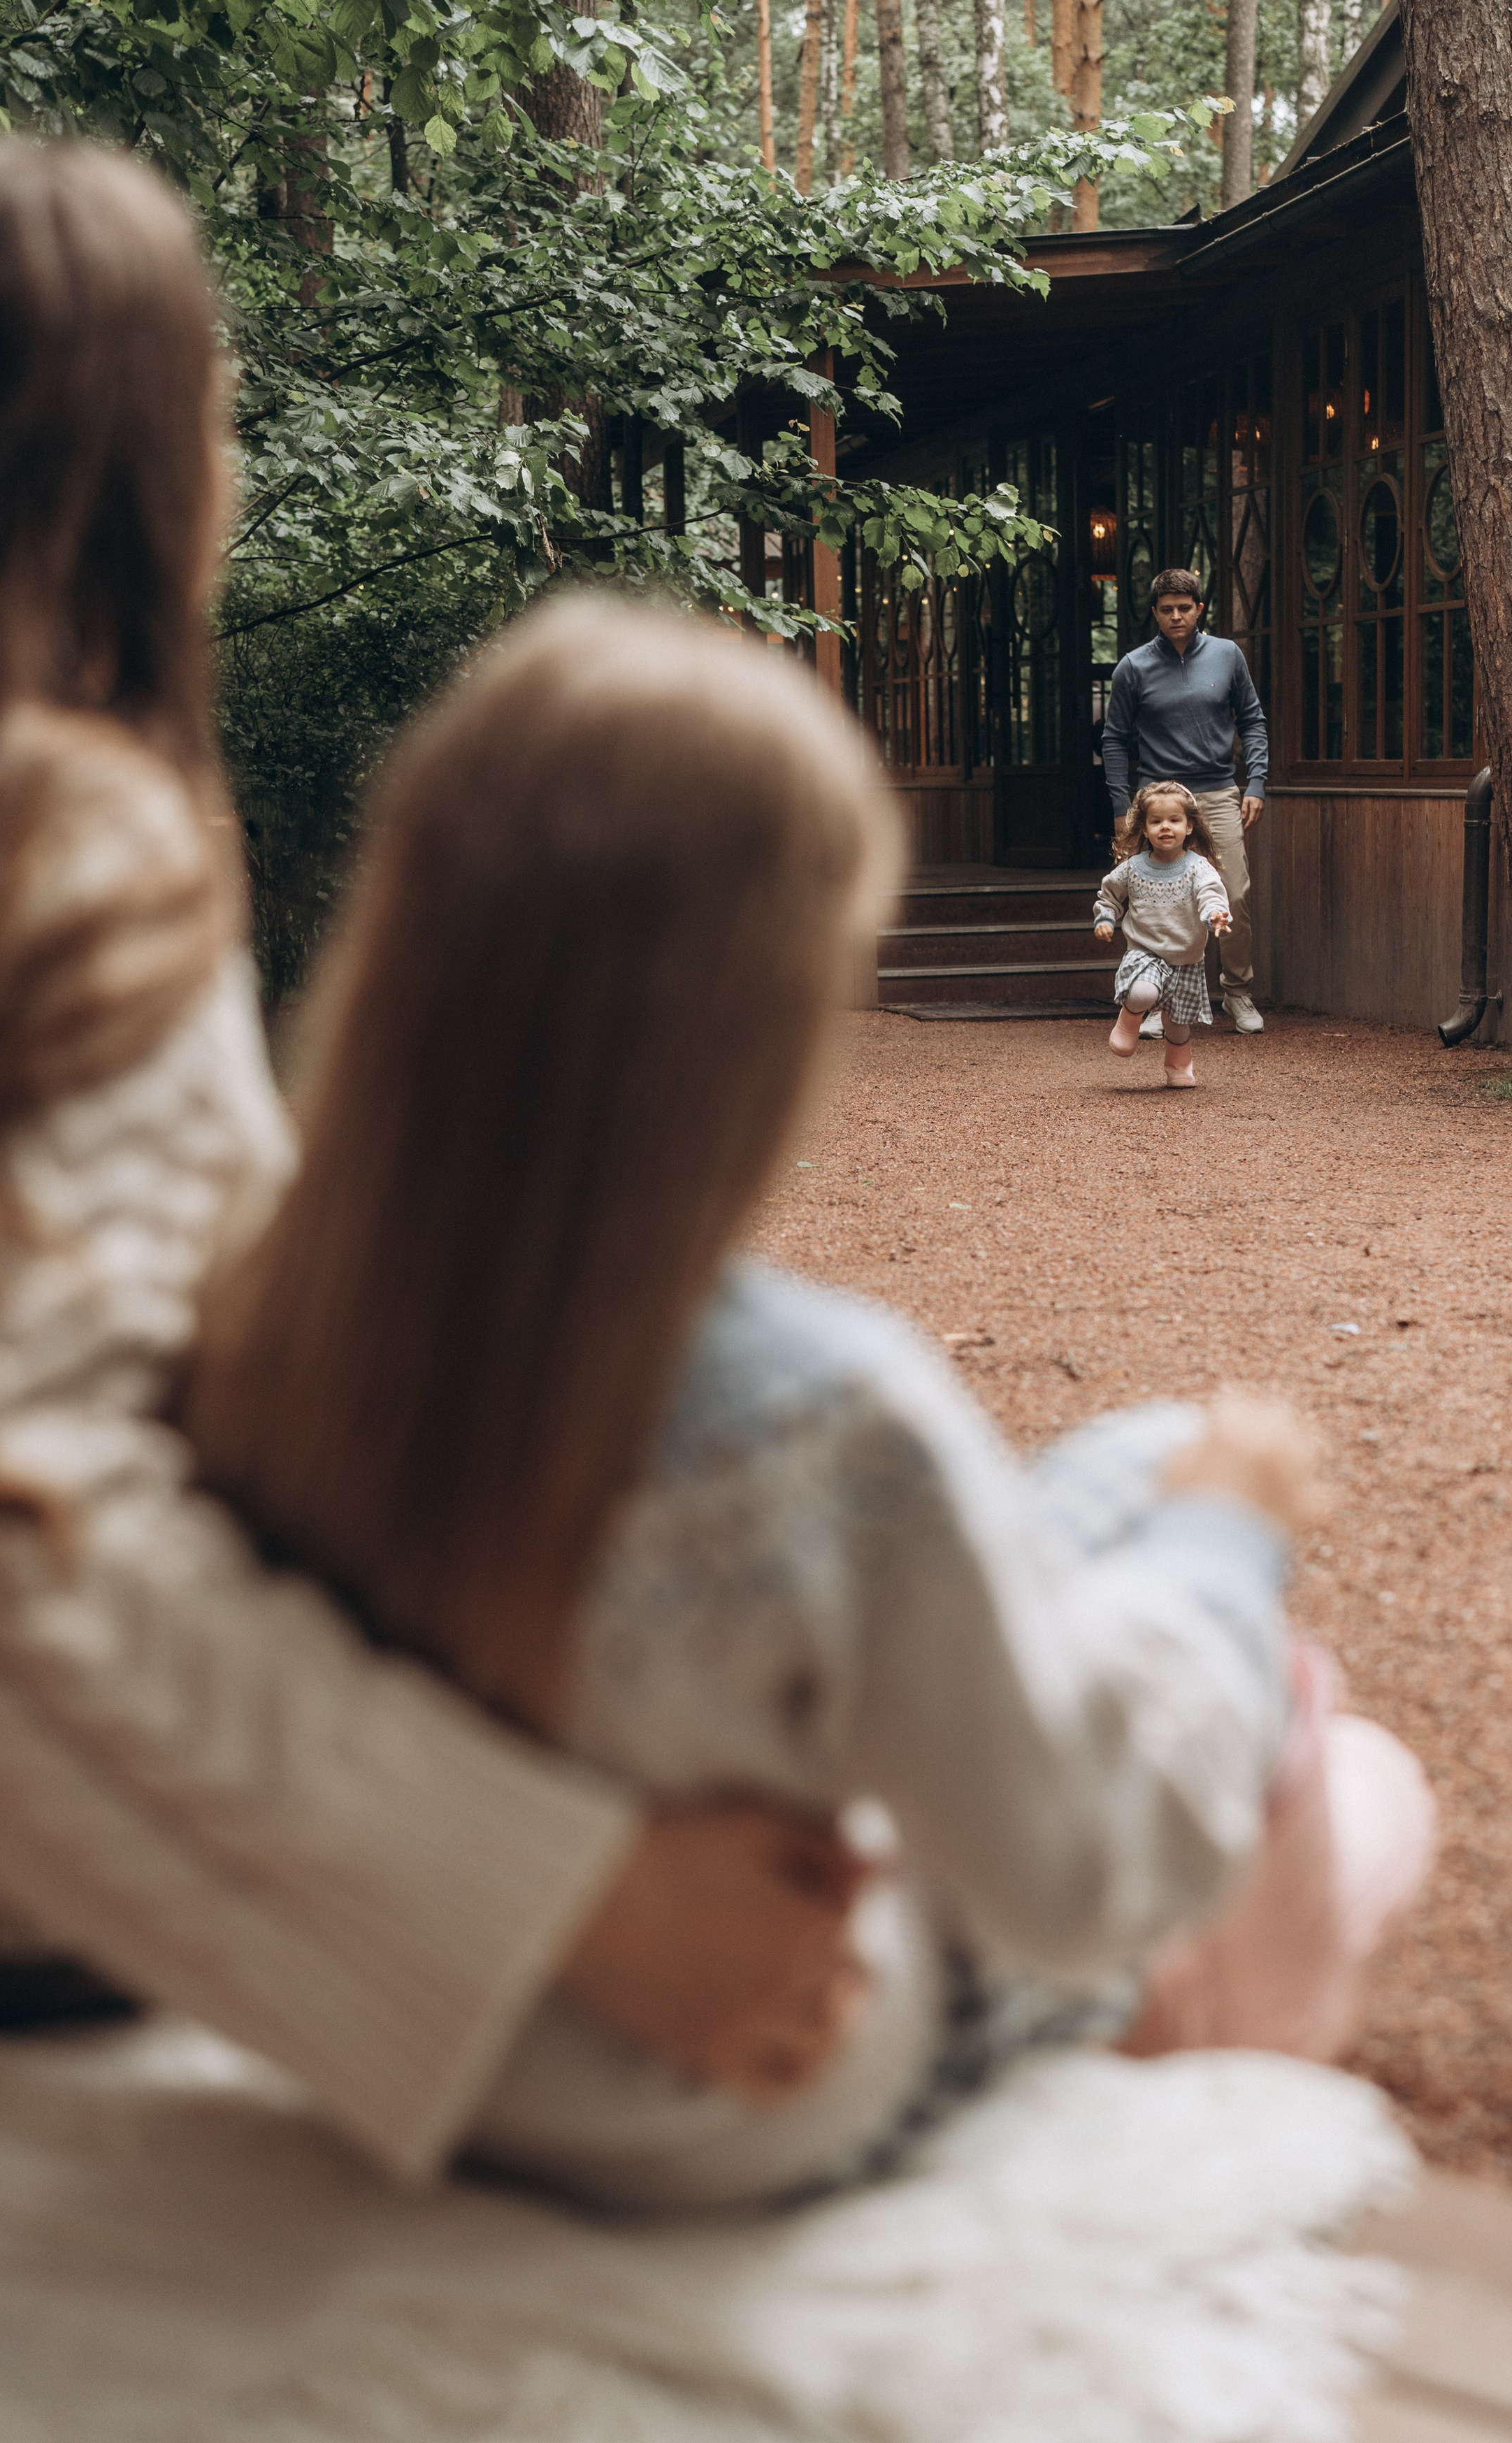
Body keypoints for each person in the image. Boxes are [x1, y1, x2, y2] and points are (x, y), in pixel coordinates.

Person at [187, 596, 1434, 2215]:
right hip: (731, 2086)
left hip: (409, 2037)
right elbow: (1065, 1861)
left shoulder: (245, 1322)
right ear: (755, 1024)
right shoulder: (822, 1415)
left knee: (1127, 1453)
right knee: (1346, 1769)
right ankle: (1214, 2040)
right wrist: (1219, 1547)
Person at [0, 136, 867, 2181]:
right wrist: (581, 1891)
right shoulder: (48, 843)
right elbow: (5, 1510)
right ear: (144, 462)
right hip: (11, 1914)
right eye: (222, 401)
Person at [1102, 568, 1269, 1037]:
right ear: (1154, 613)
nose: (1177, 616)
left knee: (1232, 891)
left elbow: (1252, 720)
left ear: (1199, 609)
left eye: (1185, 607)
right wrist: (1122, 809)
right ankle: (1153, 996)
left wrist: (1256, 782)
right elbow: (1114, 739)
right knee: (1156, 901)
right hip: (1158, 797)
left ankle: (1237, 991)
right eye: (1167, 609)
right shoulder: (1134, 667)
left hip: (1218, 792)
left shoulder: (1226, 655)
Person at [1095, 780, 1231, 1089]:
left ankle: (1178, 1065)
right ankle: (1129, 1022)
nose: (1165, 828)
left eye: (1174, 820)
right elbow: (1109, 896)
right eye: (1156, 821)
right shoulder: (1132, 868)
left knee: (1177, 1024)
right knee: (1143, 992)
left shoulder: (1199, 868)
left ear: (1190, 826)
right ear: (1144, 829)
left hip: (1186, 958)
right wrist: (1105, 918)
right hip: (1145, 952)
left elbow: (1211, 896)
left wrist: (1215, 916)